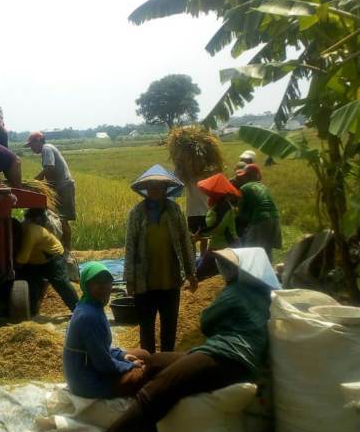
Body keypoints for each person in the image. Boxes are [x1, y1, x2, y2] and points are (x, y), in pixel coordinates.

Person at [61, 247, 279, 432]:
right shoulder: (263, 294)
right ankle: (148, 429)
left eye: (230, 267)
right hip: (226, 356)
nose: (225, 271)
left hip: (226, 356)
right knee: (155, 361)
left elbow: (207, 322)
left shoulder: (235, 291)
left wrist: (124, 363)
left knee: (151, 394)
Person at [124, 165, 197, 353]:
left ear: (166, 188)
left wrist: (190, 272)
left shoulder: (174, 211)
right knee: (146, 327)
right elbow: (130, 246)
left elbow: (185, 241)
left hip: (170, 279)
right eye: (151, 186)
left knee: (169, 327)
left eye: (159, 186)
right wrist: (129, 280)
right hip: (144, 281)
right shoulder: (137, 213)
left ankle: (166, 362)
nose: (155, 189)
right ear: (146, 189)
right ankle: (148, 364)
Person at [63, 262, 152, 398]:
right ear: (86, 286)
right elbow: (102, 364)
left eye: (107, 282)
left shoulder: (90, 305)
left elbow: (99, 348)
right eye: (97, 283)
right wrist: (129, 366)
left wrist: (122, 356)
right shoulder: (89, 316)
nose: (104, 287)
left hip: (90, 366)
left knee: (144, 354)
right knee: (143, 373)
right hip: (87, 381)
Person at [15, 208, 79, 313]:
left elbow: (23, 258)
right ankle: (32, 312)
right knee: (32, 285)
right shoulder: (22, 228)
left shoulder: (32, 232)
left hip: (53, 257)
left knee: (60, 283)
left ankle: (78, 310)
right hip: (35, 260)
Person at [25, 131, 76, 251]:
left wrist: (37, 180)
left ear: (38, 141)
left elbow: (49, 168)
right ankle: (64, 248)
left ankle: (67, 249)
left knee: (63, 218)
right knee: (59, 218)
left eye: (32, 145)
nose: (31, 148)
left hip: (64, 187)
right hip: (59, 187)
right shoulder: (45, 150)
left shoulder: (46, 148)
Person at [194, 174, 241, 280]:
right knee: (208, 273)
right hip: (217, 245)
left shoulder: (224, 206)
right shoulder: (218, 204)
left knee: (201, 274)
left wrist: (200, 233)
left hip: (226, 246)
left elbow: (219, 226)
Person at [234, 164, 282, 261]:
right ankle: (269, 273)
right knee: (266, 249)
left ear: (248, 176)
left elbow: (240, 212)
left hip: (260, 218)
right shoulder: (263, 186)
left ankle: (252, 274)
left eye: (244, 176)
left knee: (251, 250)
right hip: (275, 217)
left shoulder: (244, 188)